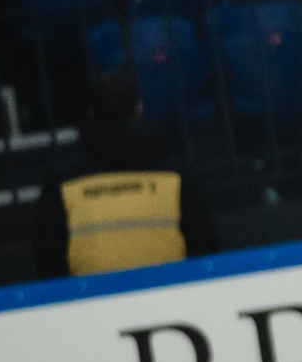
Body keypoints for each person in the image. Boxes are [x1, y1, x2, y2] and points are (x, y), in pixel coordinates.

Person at [32, 71, 210, 280]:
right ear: (139, 107)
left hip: (90, 301)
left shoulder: (63, 181)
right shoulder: (176, 174)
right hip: (170, 293)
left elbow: (48, 256)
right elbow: (205, 245)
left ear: (91, 112)